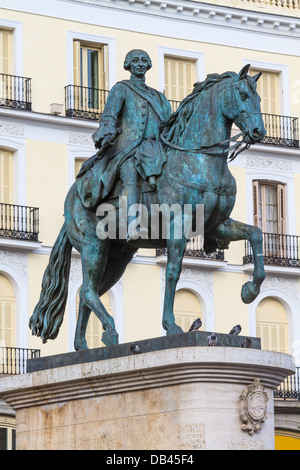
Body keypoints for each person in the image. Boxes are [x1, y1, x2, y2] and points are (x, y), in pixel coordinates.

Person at [91, 49, 172, 239]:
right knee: (130, 176)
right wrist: (107, 134)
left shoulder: (159, 97)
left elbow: (169, 125)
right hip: (129, 148)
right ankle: (132, 225)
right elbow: (109, 116)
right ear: (128, 64)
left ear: (149, 65)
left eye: (144, 60)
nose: (140, 64)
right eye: (135, 61)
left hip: (156, 148)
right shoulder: (121, 89)